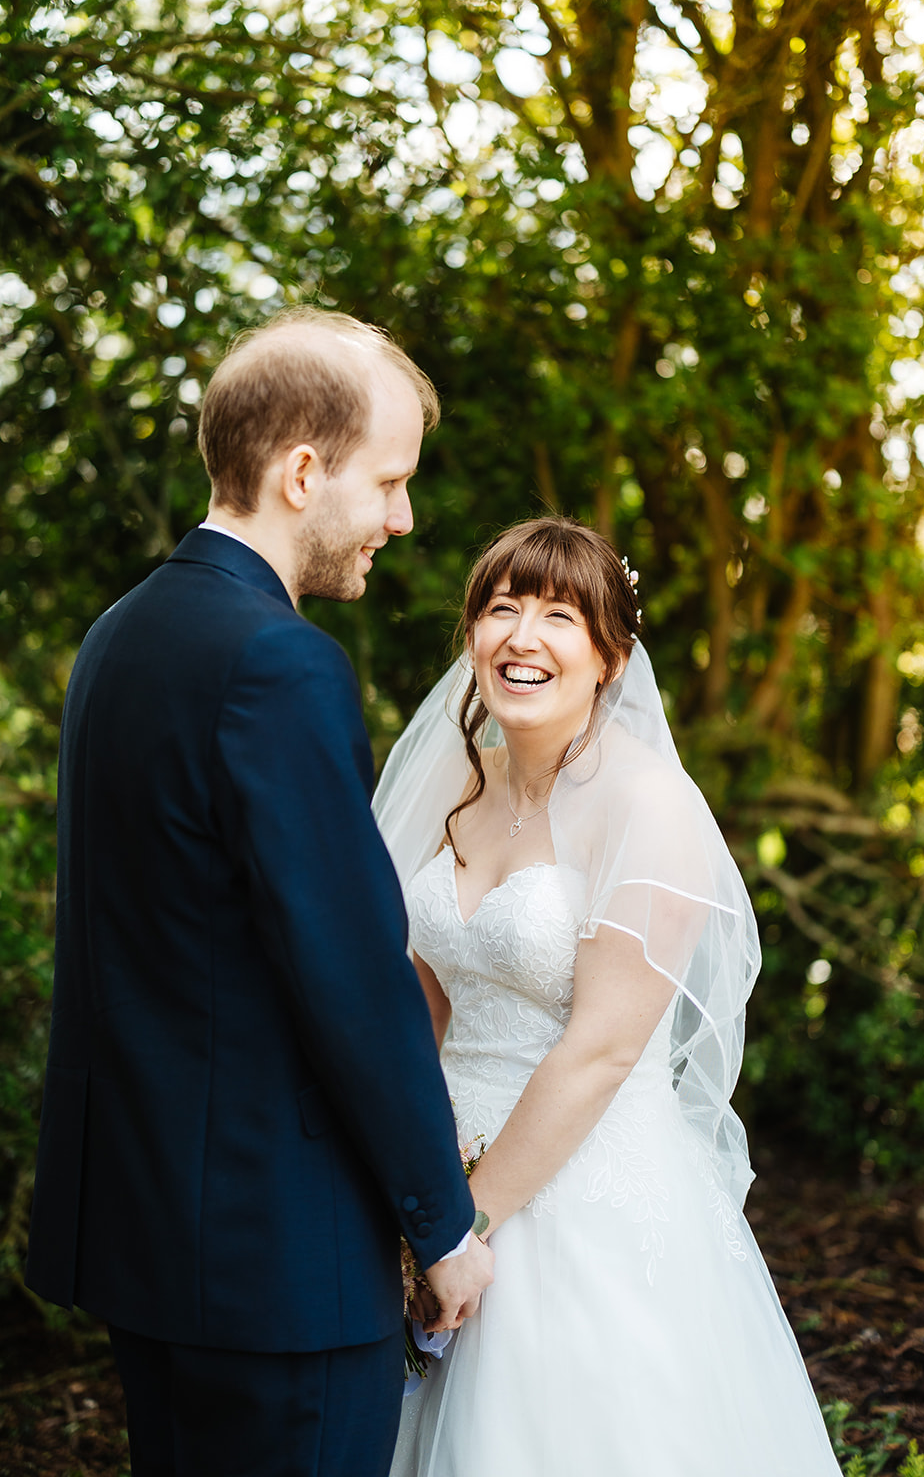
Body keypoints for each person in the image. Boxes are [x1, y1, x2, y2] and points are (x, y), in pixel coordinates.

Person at [24, 307, 493, 1477]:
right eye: (387, 481)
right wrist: (441, 1224)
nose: (403, 515)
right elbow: (346, 974)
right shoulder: (275, 662)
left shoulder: (118, 638)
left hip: (146, 1232)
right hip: (274, 1256)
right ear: (300, 472)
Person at [374, 515, 842, 1477]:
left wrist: (468, 1224)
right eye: (500, 609)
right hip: (438, 1169)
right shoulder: (455, 787)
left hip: (579, 1190)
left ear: (609, 655)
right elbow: (412, 1009)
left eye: (558, 615)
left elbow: (600, 1051)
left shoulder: (650, 806)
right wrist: (409, 1196)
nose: (521, 637)